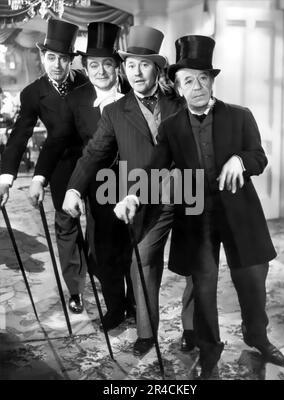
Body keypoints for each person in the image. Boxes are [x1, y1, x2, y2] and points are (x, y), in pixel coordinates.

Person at [114, 35, 284, 378]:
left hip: (241, 215)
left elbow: (259, 156)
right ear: (177, 88)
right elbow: (155, 168)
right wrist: (133, 194)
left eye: (203, 79)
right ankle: (209, 351)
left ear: (212, 81)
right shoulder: (172, 127)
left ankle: (258, 336)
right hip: (197, 218)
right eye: (188, 80)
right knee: (204, 288)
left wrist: (241, 159)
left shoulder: (240, 116)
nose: (197, 86)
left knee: (252, 282)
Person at [62, 25, 193, 356]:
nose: (136, 72)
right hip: (147, 198)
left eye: (144, 64)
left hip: (189, 192)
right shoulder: (115, 112)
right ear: (124, 68)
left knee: (198, 263)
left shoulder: (180, 102)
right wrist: (74, 189)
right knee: (144, 260)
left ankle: (193, 328)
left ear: (157, 69)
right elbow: (93, 153)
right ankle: (147, 333)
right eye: (131, 64)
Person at [32, 22, 135, 330]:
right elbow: (57, 140)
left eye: (106, 64)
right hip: (100, 186)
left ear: (116, 65)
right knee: (104, 250)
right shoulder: (76, 100)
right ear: (86, 68)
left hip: (137, 184)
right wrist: (39, 177)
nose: (100, 71)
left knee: (134, 249)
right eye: (93, 65)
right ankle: (116, 306)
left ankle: (136, 304)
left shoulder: (135, 94)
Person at [0, 19, 88, 314]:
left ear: (70, 60)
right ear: (43, 57)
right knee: (66, 227)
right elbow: (19, 137)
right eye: (52, 58)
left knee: (103, 228)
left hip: (97, 163)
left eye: (63, 59)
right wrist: (6, 178)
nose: (57, 65)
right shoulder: (32, 93)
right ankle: (75, 289)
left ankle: (104, 275)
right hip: (60, 164)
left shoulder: (87, 82)